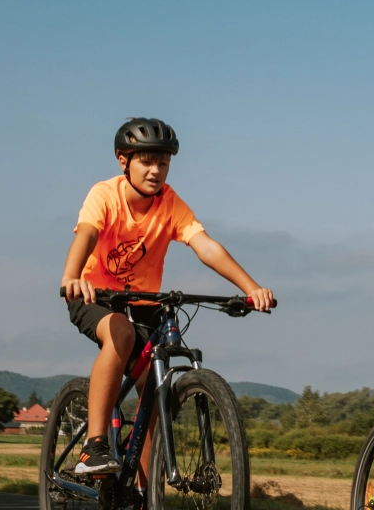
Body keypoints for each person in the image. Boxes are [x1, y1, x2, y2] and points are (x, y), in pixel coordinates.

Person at [59, 118, 275, 479]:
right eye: (146, 161)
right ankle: (92, 447)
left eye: (163, 162)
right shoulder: (105, 195)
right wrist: (71, 275)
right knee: (120, 333)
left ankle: (146, 492)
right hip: (93, 294)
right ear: (123, 160)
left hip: (143, 304)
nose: (156, 170)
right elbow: (87, 234)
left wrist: (250, 287)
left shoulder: (170, 203)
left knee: (157, 394)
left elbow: (205, 246)